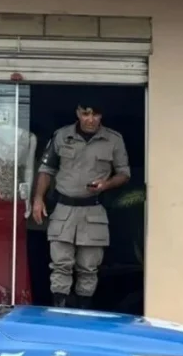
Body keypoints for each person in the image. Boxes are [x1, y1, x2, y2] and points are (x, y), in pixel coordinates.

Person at [32, 102, 130, 309]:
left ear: (101, 116)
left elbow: (124, 174)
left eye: (96, 114)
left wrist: (106, 184)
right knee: (60, 266)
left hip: (93, 211)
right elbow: (46, 169)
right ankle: (58, 314)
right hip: (63, 210)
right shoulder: (61, 136)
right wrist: (38, 198)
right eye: (86, 114)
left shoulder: (113, 139)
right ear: (78, 113)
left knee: (88, 268)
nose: (91, 119)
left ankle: (83, 316)